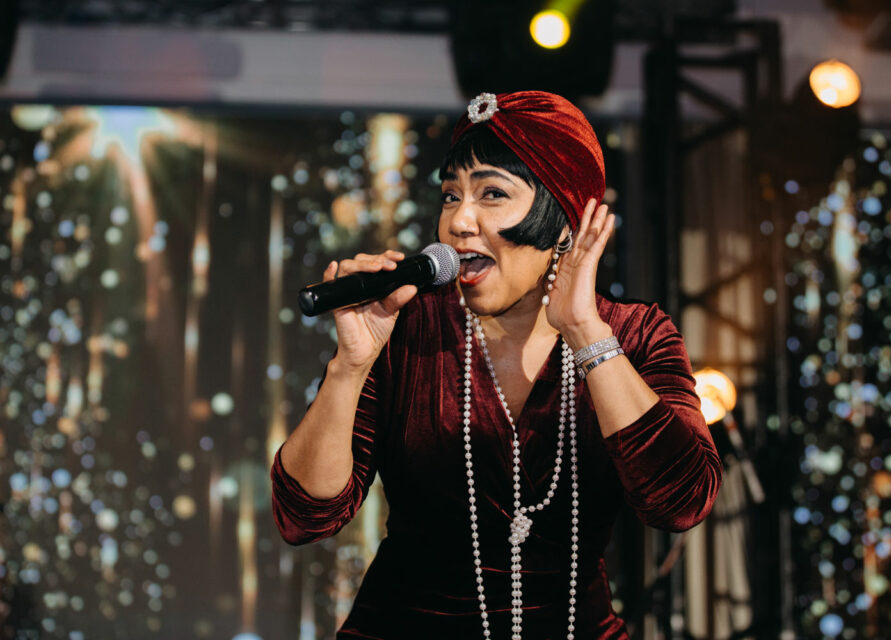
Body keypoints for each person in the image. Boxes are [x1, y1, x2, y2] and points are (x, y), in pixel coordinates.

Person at [271, 91, 722, 639]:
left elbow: (681, 502)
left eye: (491, 194)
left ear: (564, 219)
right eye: (450, 195)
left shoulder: (636, 334)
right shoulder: (407, 329)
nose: (459, 221)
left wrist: (585, 333)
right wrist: (350, 365)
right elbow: (303, 518)